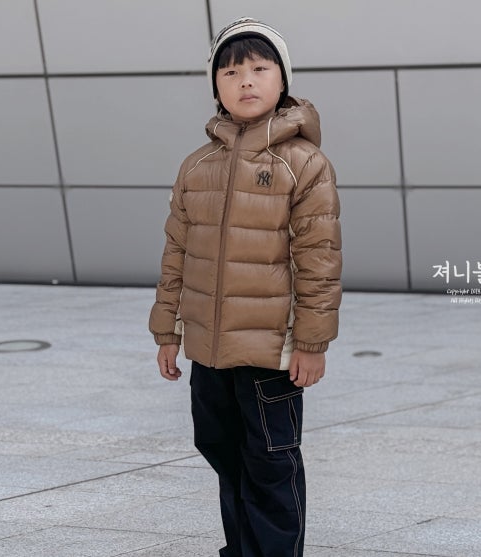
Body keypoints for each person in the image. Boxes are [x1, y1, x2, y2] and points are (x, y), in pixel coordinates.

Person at [149, 17, 341, 557]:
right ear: (216, 86)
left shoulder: (304, 164)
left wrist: (311, 343)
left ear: (283, 80)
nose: (246, 81)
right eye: (230, 72)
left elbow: (319, 261)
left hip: (269, 354)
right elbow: (177, 253)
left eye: (259, 68)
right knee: (222, 451)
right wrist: (167, 331)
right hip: (209, 351)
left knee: (271, 463)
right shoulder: (197, 166)